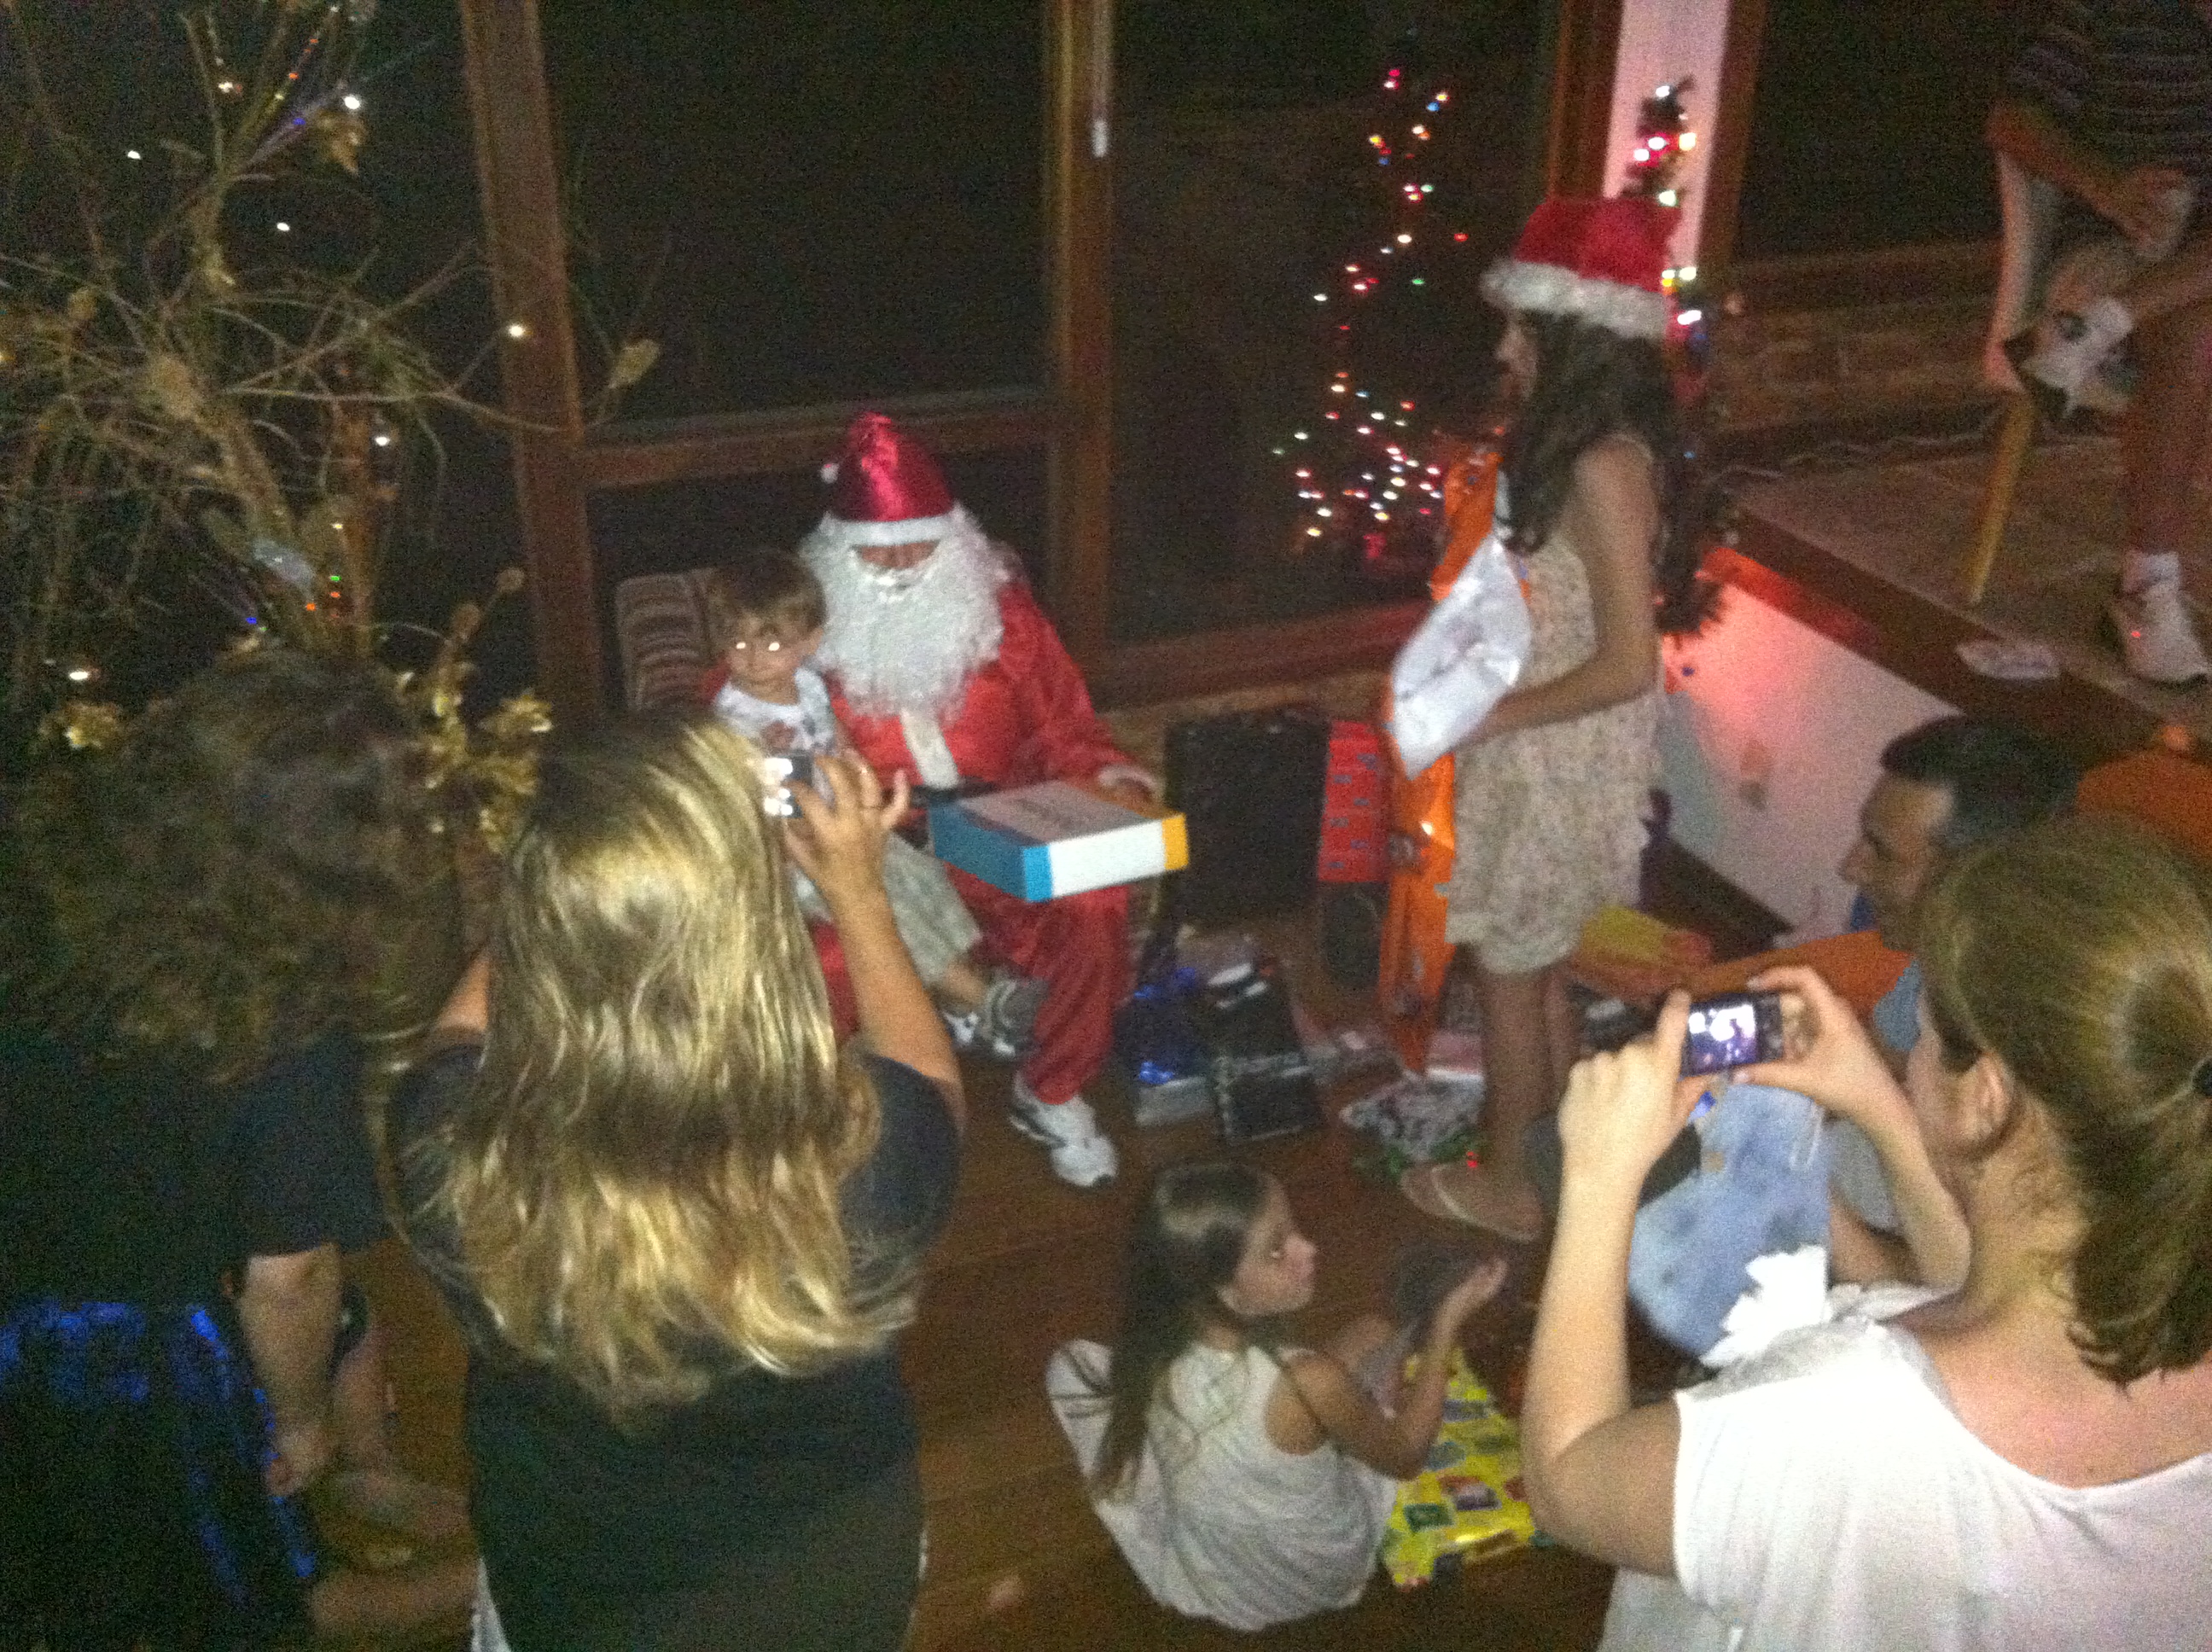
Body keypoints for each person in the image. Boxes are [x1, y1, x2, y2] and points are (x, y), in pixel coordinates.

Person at [1522, 814, 2212, 1650]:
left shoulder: (1841, 1418)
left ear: (1987, 1099)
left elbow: (1568, 1479)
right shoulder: (2134, 1296)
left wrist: (1600, 1175)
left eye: (1923, 1028)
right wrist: (1877, 1104)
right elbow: (1969, 1290)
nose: (1907, 1050)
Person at [392, 712, 963, 1651]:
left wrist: (563, 901)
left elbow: (456, 1035)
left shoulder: (449, 1145)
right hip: (827, 1590)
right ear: (752, 926)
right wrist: (859, 894)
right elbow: (929, 1077)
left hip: (574, 1595)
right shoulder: (865, 1157)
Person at [0, 648, 476, 1646]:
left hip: (41, 1251)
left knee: (341, 1293)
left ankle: (370, 1474)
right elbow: (288, 1279)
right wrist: (295, 1425)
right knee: (272, 1601)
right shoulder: (283, 1015)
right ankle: (528, 1566)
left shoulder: (41, 871)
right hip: (111, 1354)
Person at [1398, 194, 1719, 1243]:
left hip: (1557, 755)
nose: (1504, 349)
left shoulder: (1602, 463)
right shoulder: (1581, 448)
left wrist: (1490, 722)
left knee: (1511, 976)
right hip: (1541, 740)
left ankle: (1514, 1190)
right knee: (1537, 976)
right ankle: (1561, 1168)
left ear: (1575, 336)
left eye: (1521, 329)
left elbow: (1629, 663)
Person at [797, 410, 1157, 1188]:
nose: (899, 561)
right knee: (828, 954)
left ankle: (1050, 1088)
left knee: (1096, 903)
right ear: (838, 553)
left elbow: (1064, 725)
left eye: (918, 543)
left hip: (1000, 823)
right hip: (885, 841)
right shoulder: (804, 635)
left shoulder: (1007, 617)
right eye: (875, 549)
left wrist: (1109, 774)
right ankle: (819, 1133)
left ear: (954, 538)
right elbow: (740, 713)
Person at [1046, 1161, 1507, 1632]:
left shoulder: (1155, 1343)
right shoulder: (1310, 1379)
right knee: (1372, 1354)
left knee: (1370, 1333)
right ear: (1223, 1290)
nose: (1309, 1247)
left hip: (1221, 1570)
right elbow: (1406, 1458)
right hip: (1308, 1573)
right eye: (1275, 1249)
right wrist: (1447, 1324)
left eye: (1293, 1229)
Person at [701, 549, 1045, 1059]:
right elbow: (773, 806)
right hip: (796, 855)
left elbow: (837, 742)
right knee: (883, 909)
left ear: (810, 643)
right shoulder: (738, 717)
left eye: (771, 643)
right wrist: (819, 835)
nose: (752, 656)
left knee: (920, 876)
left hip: (839, 828)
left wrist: (857, 781)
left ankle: (959, 1001)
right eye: (737, 642)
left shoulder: (808, 686)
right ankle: (985, 1002)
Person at [1988, 0, 2212, 685]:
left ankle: (2089, 331)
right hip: (2115, 248)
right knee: (2196, 332)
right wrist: (2103, 183)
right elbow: (2011, 120)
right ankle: (2147, 591)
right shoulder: (2110, 14)